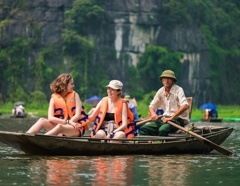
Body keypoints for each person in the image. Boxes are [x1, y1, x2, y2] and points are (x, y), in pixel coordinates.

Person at [138, 70, 190, 136]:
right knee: (142, 129)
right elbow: (151, 106)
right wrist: (153, 114)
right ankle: (149, 144)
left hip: (178, 120)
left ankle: (162, 145)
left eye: (169, 79)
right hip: (165, 119)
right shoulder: (161, 91)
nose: (166, 81)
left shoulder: (178, 90)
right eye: (164, 79)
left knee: (162, 130)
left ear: (173, 80)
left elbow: (184, 105)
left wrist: (171, 118)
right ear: (162, 80)